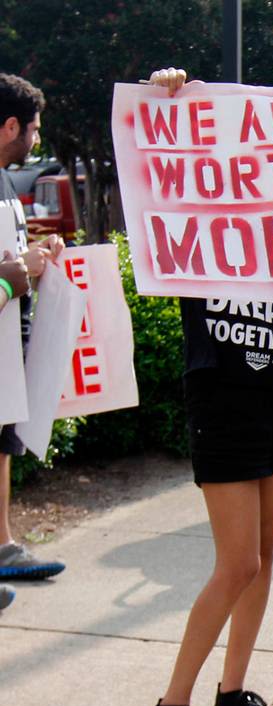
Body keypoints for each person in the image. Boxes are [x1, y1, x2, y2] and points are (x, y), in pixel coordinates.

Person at [144, 68, 273, 706]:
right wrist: (171, 97)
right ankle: (172, 701)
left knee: (266, 552)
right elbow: (162, 175)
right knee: (238, 560)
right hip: (223, 389)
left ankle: (233, 686)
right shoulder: (201, 211)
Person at [0, 72, 66, 581]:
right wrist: (13, 276)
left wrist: (36, 259)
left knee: (4, 441)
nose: (37, 140)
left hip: (8, 340)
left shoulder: (4, 180)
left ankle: (3, 545)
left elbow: (11, 260)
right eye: (34, 130)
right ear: (9, 126)